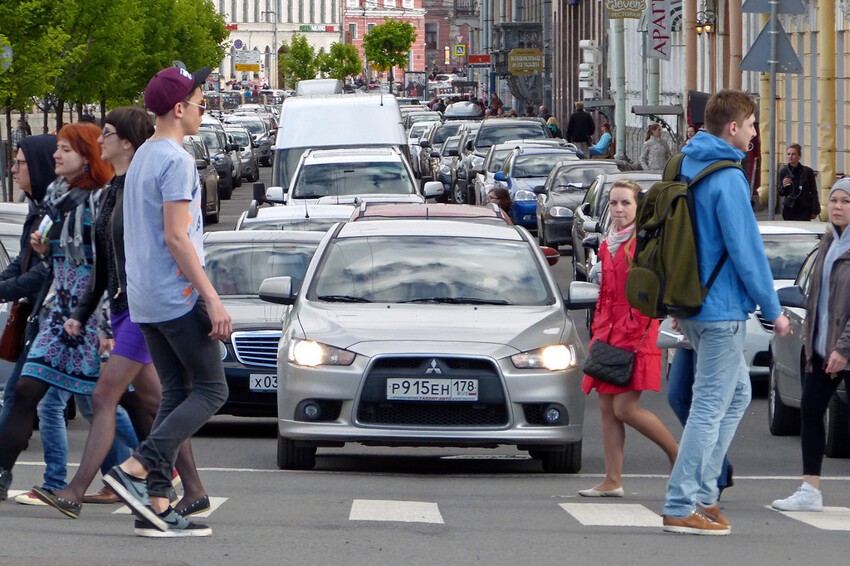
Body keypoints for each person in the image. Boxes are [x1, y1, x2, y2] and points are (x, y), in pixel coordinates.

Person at [37, 106, 211, 518]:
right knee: (158, 403)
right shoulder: (114, 189)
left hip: (142, 306)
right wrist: (85, 312)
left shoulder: (143, 184)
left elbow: (166, 244)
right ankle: (194, 489)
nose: (100, 140)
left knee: (104, 395)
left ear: (129, 142)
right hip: (122, 307)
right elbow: (105, 261)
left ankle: (76, 490)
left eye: (109, 133)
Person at [102, 65, 230, 538]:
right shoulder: (174, 162)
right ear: (179, 109)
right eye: (199, 102)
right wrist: (212, 299)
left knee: (175, 394)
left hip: (145, 299)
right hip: (176, 296)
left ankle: (156, 504)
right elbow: (179, 238)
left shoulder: (141, 161)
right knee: (213, 391)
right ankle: (138, 465)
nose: (203, 109)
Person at [661, 89, 791, 536]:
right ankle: (682, 502)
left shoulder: (684, 163)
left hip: (691, 304)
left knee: (735, 397)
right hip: (721, 309)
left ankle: (705, 495)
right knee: (709, 407)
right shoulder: (729, 177)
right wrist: (773, 310)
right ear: (732, 128)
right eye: (752, 125)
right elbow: (747, 250)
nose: (755, 134)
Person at [0, 123, 114, 503]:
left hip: (92, 313)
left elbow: (106, 263)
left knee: (117, 402)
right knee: (24, 392)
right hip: (57, 311)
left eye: (66, 148)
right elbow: (48, 261)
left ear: (87, 156)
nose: (56, 155)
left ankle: (154, 468)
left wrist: (105, 324)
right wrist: (44, 249)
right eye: (57, 148)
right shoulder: (55, 195)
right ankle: (2, 473)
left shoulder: (101, 199)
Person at [579, 179, 678, 497]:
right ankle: (612, 480)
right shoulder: (609, 243)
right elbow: (605, 295)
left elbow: (648, 298)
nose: (619, 209)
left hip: (636, 336)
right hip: (608, 334)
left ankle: (678, 455)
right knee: (607, 408)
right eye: (614, 203)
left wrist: (629, 329)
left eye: (626, 203)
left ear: (638, 208)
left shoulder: (641, 245)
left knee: (624, 408)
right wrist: (597, 333)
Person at [771, 179, 850, 512]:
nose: (838, 206)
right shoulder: (828, 242)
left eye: (846, 201)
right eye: (834, 200)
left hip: (842, 349)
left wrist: (844, 349)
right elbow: (817, 299)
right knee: (812, 412)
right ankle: (810, 489)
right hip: (821, 349)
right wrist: (810, 342)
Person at [666, 348, 734, 496]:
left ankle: (713, 480)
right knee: (677, 396)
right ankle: (719, 467)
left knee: (707, 404)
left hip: (714, 330)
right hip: (690, 332)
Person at [778, 144, 819, 221]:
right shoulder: (783, 171)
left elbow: (814, 191)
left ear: (799, 156)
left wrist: (815, 210)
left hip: (804, 208)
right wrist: (783, 186)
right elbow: (781, 193)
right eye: (788, 154)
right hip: (789, 208)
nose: (790, 156)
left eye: (793, 154)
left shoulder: (807, 171)